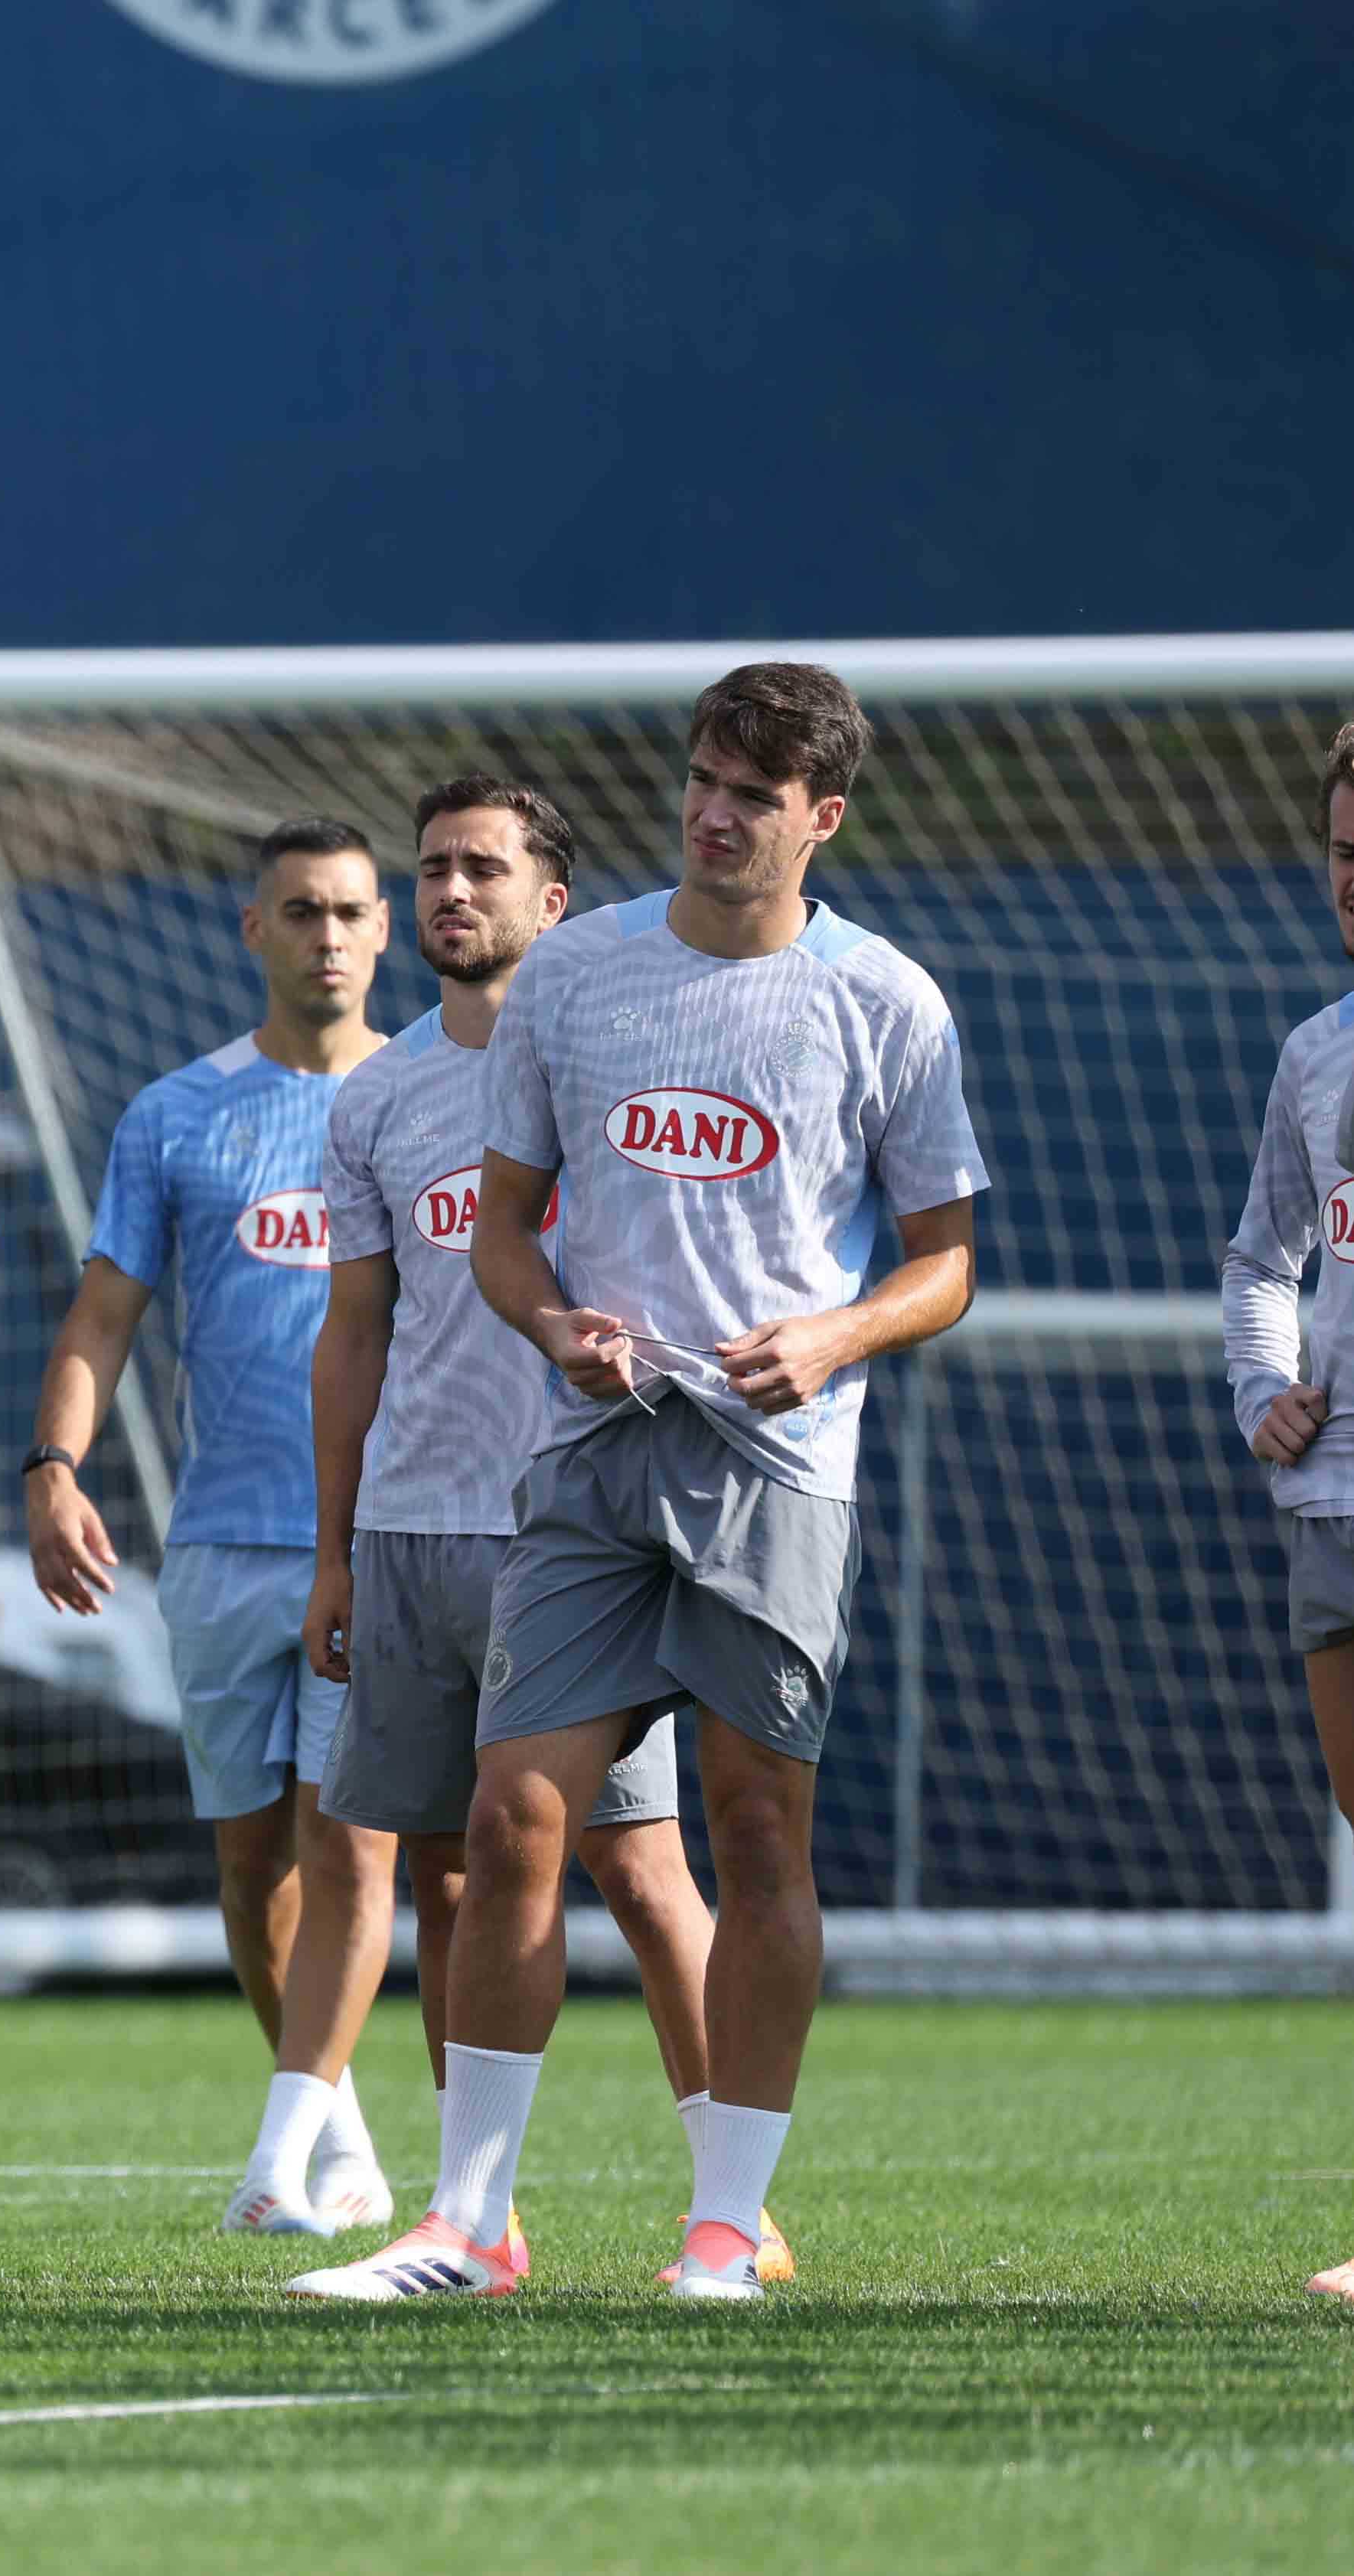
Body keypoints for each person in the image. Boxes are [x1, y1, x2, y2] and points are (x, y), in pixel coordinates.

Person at [298, 662, 985, 2305]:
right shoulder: (577, 978)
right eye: (702, 777)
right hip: (594, 1458)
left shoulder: (887, 998)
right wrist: (554, 1327)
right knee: (512, 1812)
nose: (715, 810)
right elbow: (505, 1227)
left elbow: (945, 1262)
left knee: (755, 1831)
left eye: (754, 791)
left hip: (779, 1466)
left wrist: (833, 1338)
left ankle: (726, 2230)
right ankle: (468, 2227)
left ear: (820, 817)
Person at [284, 779, 783, 2278]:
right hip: (412, 1531)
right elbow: (354, 1331)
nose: (452, 893)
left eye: (483, 869)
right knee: (443, 1870)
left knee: (640, 1869)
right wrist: (335, 1545)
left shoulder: (624, 1062)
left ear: (551, 901)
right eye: (432, 869)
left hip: (575, 1526)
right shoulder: (374, 1095)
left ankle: (737, 2203)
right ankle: (475, 2221)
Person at [26, 820, 403, 2233]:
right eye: (301, 910)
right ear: (254, 928)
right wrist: (55, 1463)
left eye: (352, 911)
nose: (327, 934)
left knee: (349, 1842)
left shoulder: (440, 1099)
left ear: (386, 930)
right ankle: (346, 2138)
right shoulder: (178, 1114)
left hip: (380, 1547)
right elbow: (105, 1314)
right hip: (217, 1550)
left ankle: (274, 2163)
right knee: (257, 1866)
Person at [1222, 718, 1354, 2303]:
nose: (1351, 881)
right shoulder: (1319, 1049)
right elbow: (1264, 1256)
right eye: (1343, 850)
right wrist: (1267, 1391)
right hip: (1332, 1497)